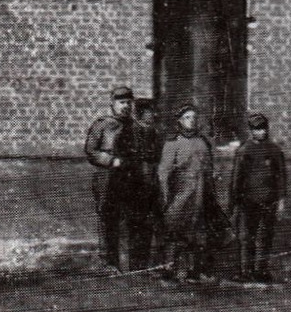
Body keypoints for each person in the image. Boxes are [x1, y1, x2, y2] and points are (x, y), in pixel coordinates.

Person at [84, 85, 146, 272]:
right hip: (108, 178)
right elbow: (90, 150)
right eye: (121, 103)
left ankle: (135, 265)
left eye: (128, 102)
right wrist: (110, 160)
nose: (125, 106)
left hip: (131, 179)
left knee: (134, 220)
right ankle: (108, 263)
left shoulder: (136, 127)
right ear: (113, 104)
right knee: (108, 219)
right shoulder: (102, 125)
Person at [158, 104, 218, 283]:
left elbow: (209, 167)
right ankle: (169, 271)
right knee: (175, 230)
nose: (191, 121)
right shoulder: (172, 144)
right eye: (187, 118)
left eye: (193, 117)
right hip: (181, 195)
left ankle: (195, 271)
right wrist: (166, 198)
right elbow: (164, 173)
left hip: (201, 195)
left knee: (199, 232)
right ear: (179, 121)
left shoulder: (203, 142)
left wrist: (212, 176)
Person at [230, 112, 287, 283]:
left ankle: (261, 270)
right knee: (247, 237)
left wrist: (281, 200)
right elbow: (236, 179)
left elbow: (281, 177)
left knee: (266, 236)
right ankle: (246, 270)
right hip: (248, 202)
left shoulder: (274, 150)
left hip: (269, 201)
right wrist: (235, 202)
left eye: (263, 129)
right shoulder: (244, 151)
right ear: (251, 131)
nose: (261, 132)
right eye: (257, 129)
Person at [130, 98, 166, 272]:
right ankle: (137, 264)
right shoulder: (133, 132)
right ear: (141, 114)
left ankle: (158, 264)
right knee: (139, 224)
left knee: (158, 224)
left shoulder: (156, 133)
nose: (154, 115)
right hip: (138, 186)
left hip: (154, 183)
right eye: (150, 112)